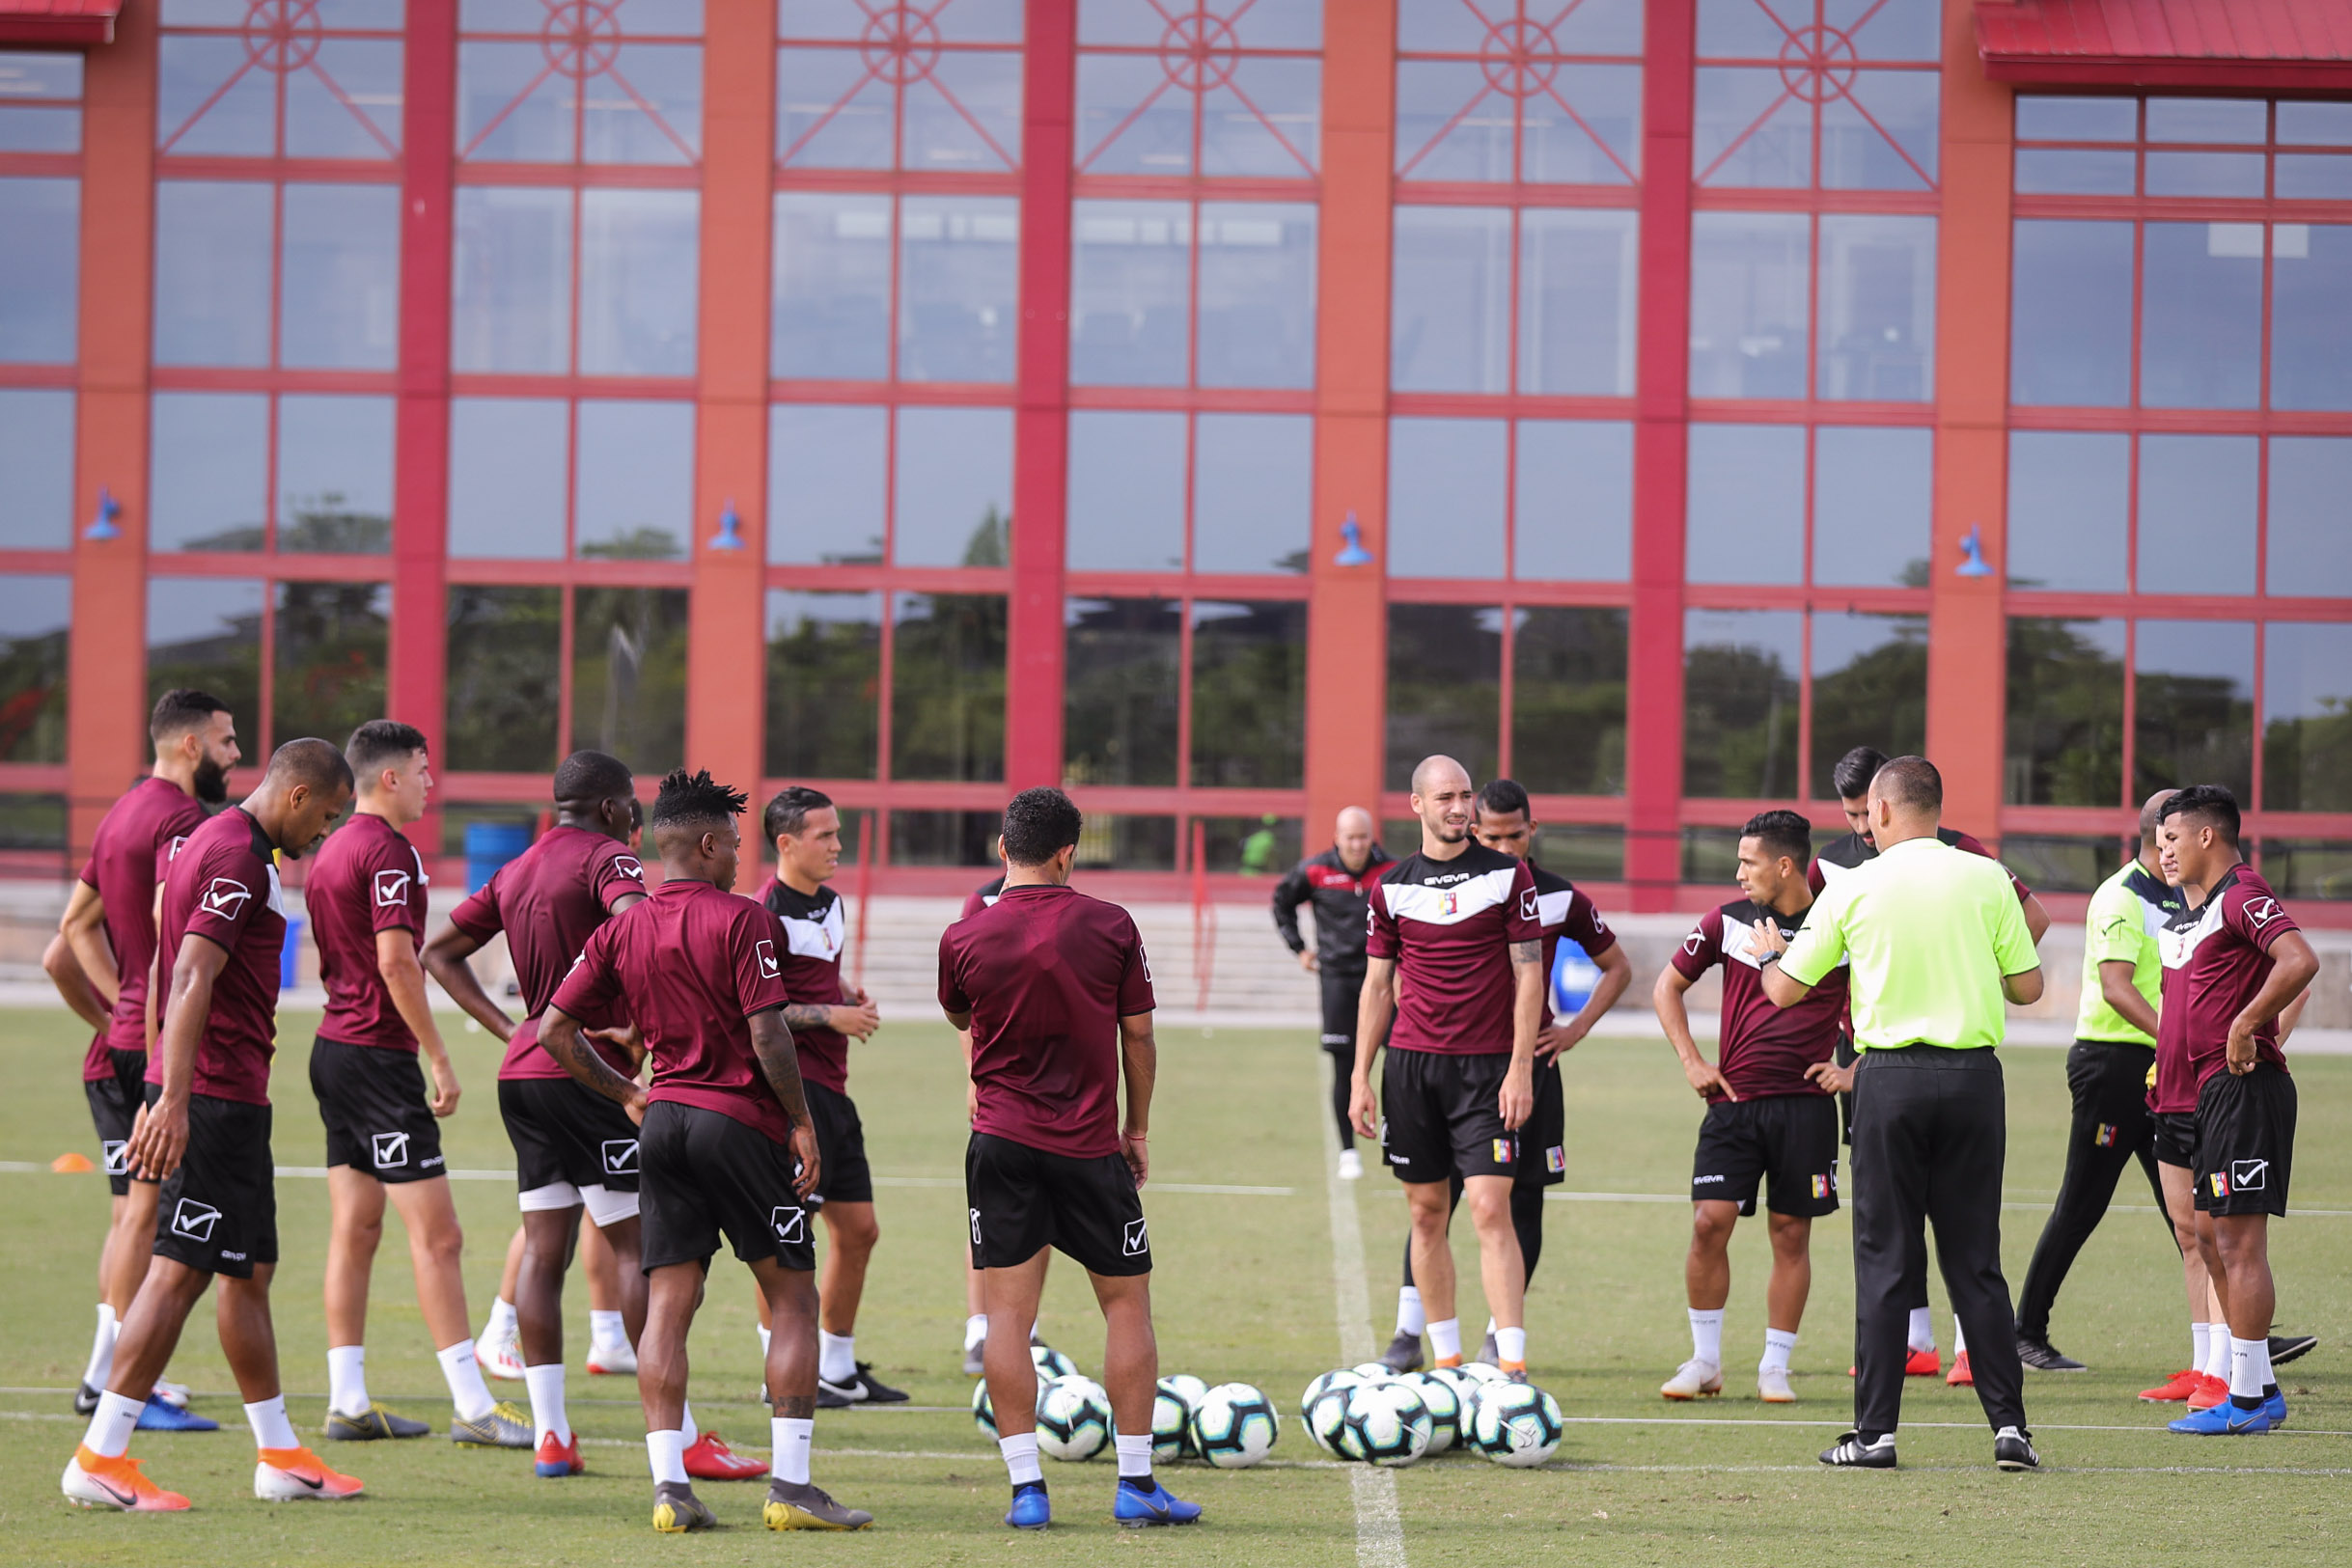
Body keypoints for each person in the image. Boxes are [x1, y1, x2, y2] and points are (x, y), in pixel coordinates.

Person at [540, 769, 872, 1533]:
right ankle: (791, 1485)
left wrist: (626, 1091)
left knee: (668, 1304)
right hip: (738, 1124)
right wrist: (801, 1120)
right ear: (712, 844)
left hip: (662, 1124)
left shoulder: (622, 925)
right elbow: (767, 1031)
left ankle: (669, 1488)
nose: (738, 861)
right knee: (791, 1295)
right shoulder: (741, 919)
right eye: (734, 847)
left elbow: (554, 1029)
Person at [425, 751, 758, 1480]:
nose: (636, 823)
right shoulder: (609, 859)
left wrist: (513, 1024)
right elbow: (644, 932)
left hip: (525, 1075)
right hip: (589, 1077)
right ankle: (683, 1437)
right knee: (642, 1250)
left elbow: (438, 951)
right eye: (631, 807)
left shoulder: (517, 866)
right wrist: (641, 1028)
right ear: (609, 809)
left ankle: (552, 1436)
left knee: (545, 1251)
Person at [63, 739, 361, 1511]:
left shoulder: (207, 839)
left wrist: (160, 1071)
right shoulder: (238, 858)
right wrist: (172, 1095)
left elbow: (165, 957)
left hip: (228, 1096)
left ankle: (281, 1455)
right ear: (297, 797)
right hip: (216, 1099)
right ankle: (101, 1456)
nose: (325, 833)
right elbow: (191, 967)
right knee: (179, 1270)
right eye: (326, 816)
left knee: (247, 1270)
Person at [1757, 756, 2044, 1472]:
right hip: (1974, 1078)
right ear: (1935, 807)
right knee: (1976, 1261)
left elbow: (1786, 992)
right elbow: (2029, 987)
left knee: (1884, 1259)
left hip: (1888, 1078)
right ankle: (2010, 1429)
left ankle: (1875, 1434)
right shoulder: (1985, 876)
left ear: (1880, 811)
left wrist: (1771, 955)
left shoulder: (1855, 882)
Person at [939, 787, 1198, 1531]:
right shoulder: (1111, 923)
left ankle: (1027, 1490)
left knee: (1006, 1317)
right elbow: (1139, 1037)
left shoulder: (964, 934)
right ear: (1067, 852)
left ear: (1001, 849)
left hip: (1000, 1143)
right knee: (1124, 1305)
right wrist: (1137, 1127)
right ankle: (1136, 1483)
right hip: (1088, 1146)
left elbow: (961, 1014)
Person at [302, 721, 528, 1449]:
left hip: (333, 1050)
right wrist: (437, 1054)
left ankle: (347, 1399)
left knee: (356, 1228)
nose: (434, 782)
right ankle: (473, 1403)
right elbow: (401, 962)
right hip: (376, 1059)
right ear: (389, 777)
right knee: (440, 1237)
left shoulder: (329, 846)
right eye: (424, 770)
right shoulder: (388, 852)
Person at [1378, 781, 1626, 1372]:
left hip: (1526, 1066)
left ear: (1531, 831)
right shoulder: (1452, 887)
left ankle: (1497, 1339)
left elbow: (1617, 968)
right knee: (1431, 1201)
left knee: (1517, 1205)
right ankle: (1408, 1332)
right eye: (1492, 835)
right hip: (1445, 1062)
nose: (1505, 844)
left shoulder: (1558, 896)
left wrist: (1572, 1029)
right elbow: (1393, 968)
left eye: (1515, 834)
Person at [55, 689, 237, 1430]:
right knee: (142, 1217)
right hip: (145, 1050)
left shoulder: (122, 810)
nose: (233, 755)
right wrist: (147, 1016)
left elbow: (67, 931)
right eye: (226, 742)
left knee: (126, 1216)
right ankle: (110, 1379)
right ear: (190, 744)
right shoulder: (181, 820)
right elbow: (172, 925)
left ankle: (110, 1370)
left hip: (116, 1043)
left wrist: (118, 1004)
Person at [1349, 756, 1545, 1380]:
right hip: (1410, 1069)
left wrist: (1519, 1068)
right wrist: (1359, 1074)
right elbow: (1377, 987)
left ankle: (1509, 1365)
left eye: (1465, 795)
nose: (1459, 807)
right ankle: (1447, 1364)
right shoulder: (1390, 886)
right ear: (1416, 805)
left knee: (1490, 1207)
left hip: (1486, 1071)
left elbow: (1528, 974)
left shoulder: (1508, 877)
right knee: (1425, 1212)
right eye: (1445, 797)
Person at [1654, 809, 1845, 1405]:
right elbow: (1668, 987)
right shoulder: (1727, 921)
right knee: (1709, 1222)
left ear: (1783, 865)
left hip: (1807, 1109)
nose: (1738, 874)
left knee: (1791, 1235)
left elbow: (1890, 1000)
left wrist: (1854, 1068)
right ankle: (1705, 1362)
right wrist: (1691, 1061)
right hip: (1733, 1106)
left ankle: (1774, 1367)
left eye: (1748, 862)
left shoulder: (1840, 923)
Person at [2152, 786, 2317, 1437]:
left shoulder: (2242, 894)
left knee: (2239, 1244)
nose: (2162, 850)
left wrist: (2249, 1021)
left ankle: (2248, 1401)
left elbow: (2300, 958)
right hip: (2204, 1097)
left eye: (2172, 838)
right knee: (2210, 1237)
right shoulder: (2189, 917)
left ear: (2205, 838)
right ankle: (2254, 1385)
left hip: (2245, 1088)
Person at [2010, 791, 2185, 1373]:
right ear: (2160, 835)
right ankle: (2026, 1334)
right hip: (2114, 1067)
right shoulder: (2121, 895)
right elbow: (2116, 987)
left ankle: (2245, 1341)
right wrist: (2177, 1040)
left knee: (2190, 1209)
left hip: (2163, 1067)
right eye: (2184, 831)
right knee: (2082, 1204)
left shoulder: (2186, 896)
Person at [758, 785, 902, 1408]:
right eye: (825, 835)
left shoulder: (832, 902)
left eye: (838, 833)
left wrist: (846, 994)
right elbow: (759, 1011)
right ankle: (778, 1374)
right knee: (791, 1236)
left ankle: (837, 1370)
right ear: (787, 843)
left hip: (834, 1091)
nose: (838, 846)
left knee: (861, 1230)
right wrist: (830, 1016)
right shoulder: (761, 911)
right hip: (793, 1096)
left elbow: (815, 973)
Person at [1271, 806, 1392, 1180]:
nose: (1357, 845)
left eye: (1363, 837)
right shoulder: (1314, 870)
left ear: (1372, 837)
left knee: (1402, 1059)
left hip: (1386, 979)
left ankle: (1396, 1131)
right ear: (1337, 838)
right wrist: (1300, 948)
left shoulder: (1393, 870)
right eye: (1350, 837)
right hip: (1338, 979)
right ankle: (1348, 1151)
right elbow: (1281, 902)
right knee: (1345, 1066)